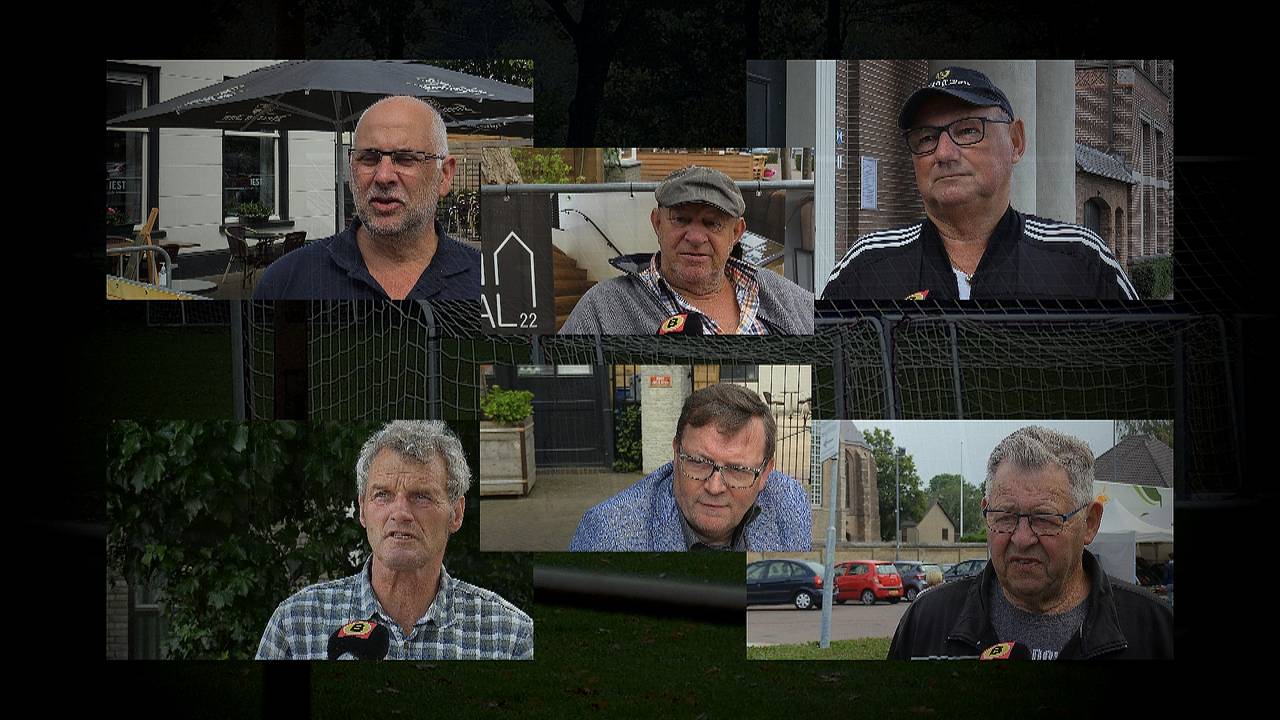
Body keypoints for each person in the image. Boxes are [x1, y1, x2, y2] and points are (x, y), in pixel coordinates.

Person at [823, 67, 1137, 300]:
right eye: (927, 138)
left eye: (968, 130)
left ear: (1015, 141)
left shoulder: (1080, 262)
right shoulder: (866, 268)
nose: (943, 153)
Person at [889, 426, 1173, 660]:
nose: (1022, 539)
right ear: (987, 511)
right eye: (1004, 516)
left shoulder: (1156, 631)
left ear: (1089, 523)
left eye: (1044, 519)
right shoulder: (926, 622)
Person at [256, 421, 532, 659]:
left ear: (456, 513)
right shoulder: (295, 624)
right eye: (382, 495)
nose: (400, 513)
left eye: (421, 496)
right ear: (362, 510)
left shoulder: (511, 636)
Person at [253, 96, 480, 300]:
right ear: (351, 169)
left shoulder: (488, 282)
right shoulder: (285, 283)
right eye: (369, 158)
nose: (383, 177)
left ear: (445, 175)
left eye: (405, 159)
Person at [559, 165, 813, 334]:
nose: (695, 237)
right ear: (657, 223)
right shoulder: (601, 310)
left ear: (736, 232)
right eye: (681, 219)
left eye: (711, 223)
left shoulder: (786, 297)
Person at [569, 384, 811, 551]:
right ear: (676, 454)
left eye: (737, 470)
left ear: (766, 472)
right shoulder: (607, 533)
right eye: (699, 462)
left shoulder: (791, 503)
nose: (714, 487)